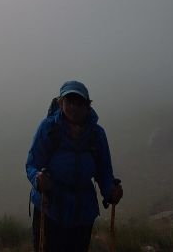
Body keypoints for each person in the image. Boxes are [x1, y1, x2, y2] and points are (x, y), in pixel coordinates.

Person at [26, 80, 123, 252]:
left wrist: (111, 191)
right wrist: (37, 179)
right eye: (69, 101)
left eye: (79, 103)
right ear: (61, 102)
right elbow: (32, 164)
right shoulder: (48, 129)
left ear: (87, 106)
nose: (74, 107)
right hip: (50, 208)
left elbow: (104, 171)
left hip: (82, 212)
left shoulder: (96, 135)